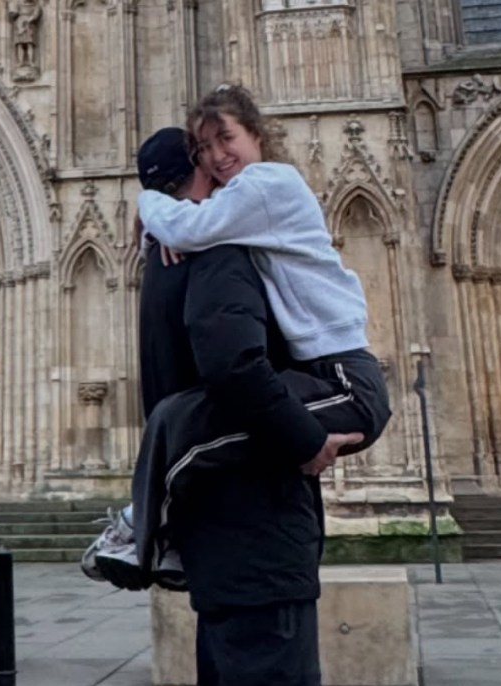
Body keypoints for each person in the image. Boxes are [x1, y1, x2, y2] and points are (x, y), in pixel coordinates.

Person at [93, 127, 360, 686]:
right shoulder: (218, 259)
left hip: (225, 529)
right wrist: (306, 437)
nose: (241, 186)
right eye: (224, 172)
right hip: (254, 526)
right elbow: (238, 367)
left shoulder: (165, 267)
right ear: (200, 187)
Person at [82, 89, 389, 588]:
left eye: (226, 138)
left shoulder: (271, 183)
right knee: (183, 419)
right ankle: (163, 534)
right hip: (317, 374)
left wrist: (149, 201)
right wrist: (156, 228)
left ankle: (144, 526)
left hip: (348, 382)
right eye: (203, 148)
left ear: (257, 135)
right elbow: (194, 226)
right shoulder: (241, 205)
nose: (217, 155)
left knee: (191, 421)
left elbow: (196, 225)